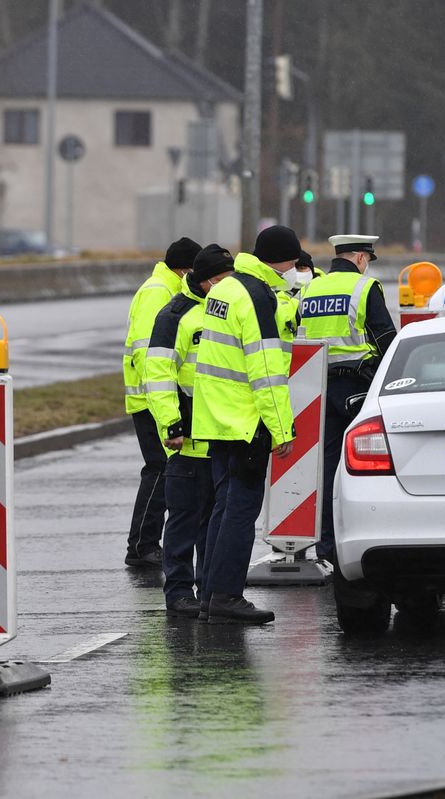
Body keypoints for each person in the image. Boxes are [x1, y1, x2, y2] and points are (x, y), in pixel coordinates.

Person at [192, 225, 301, 624]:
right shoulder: (257, 296)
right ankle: (226, 596)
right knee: (239, 512)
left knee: (222, 509)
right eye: (293, 262)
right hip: (246, 420)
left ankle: (210, 594)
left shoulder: (226, 288)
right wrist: (282, 428)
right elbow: (266, 369)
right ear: (284, 260)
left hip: (217, 418)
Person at [143, 244, 234, 618]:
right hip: (187, 437)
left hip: (221, 434)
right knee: (183, 517)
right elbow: (159, 374)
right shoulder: (174, 316)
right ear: (206, 279)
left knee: (214, 521)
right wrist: (171, 424)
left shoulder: (224, 310)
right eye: (222, 280)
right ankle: (179, 592)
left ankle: (210, 589)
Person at [297, 234, 397, 564]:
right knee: (363, 466)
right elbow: (385, 337)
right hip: (357, 385)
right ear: (358, 258)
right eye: (367, 260)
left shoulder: (311, 289)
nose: (367, 266)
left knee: (325, 468)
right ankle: (360, 540)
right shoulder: (364, 288)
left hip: (317, 387)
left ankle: (325, 547)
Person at [121, 236, 201, 568]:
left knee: (162, 469)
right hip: (151, 398)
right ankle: (141, 545)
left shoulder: (168, 289)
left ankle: (145, 543)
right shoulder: (159, 292)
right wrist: (159, 398)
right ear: (186, 270)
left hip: (154, 396)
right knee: (159, 469)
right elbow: (148, 350)